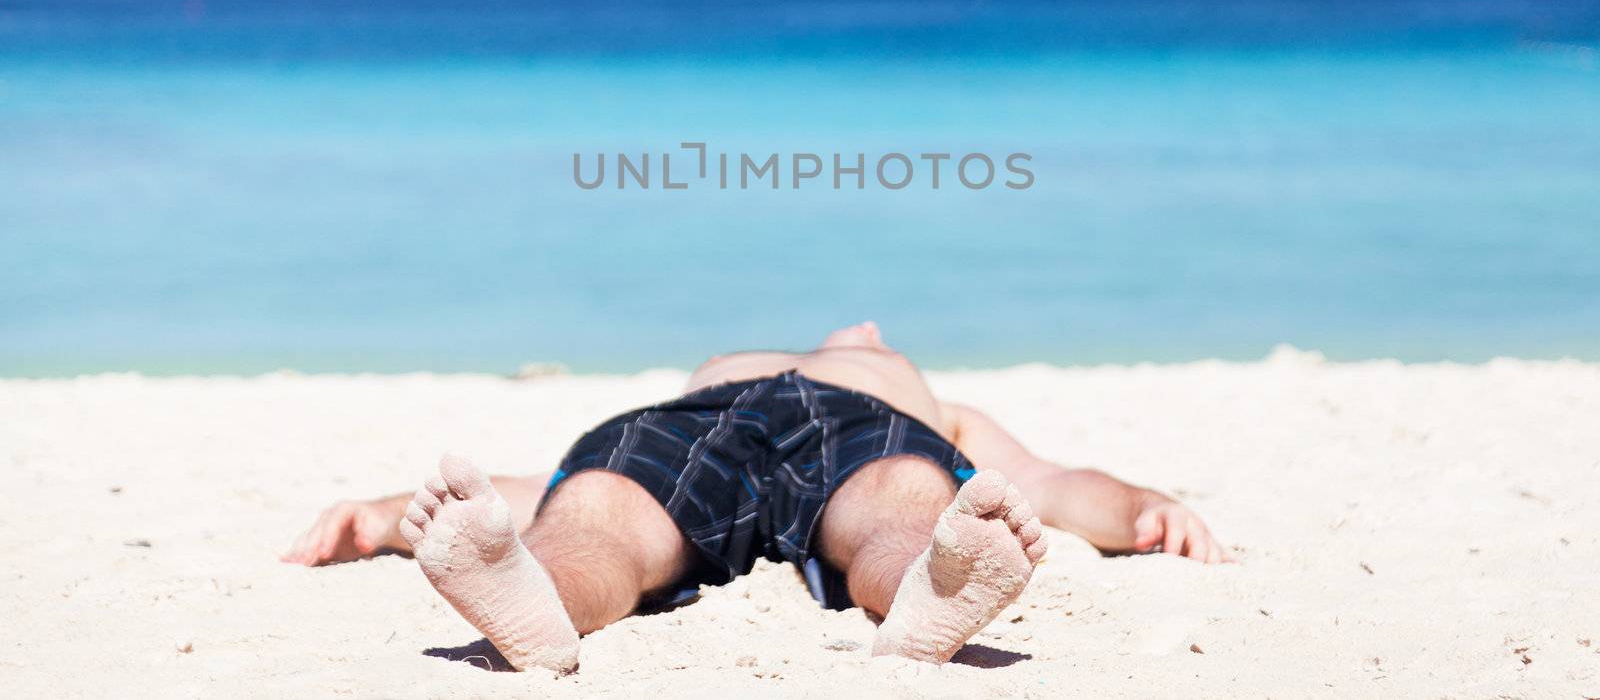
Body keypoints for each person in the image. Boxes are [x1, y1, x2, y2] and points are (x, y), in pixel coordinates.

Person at [284, 322, 1227, 673]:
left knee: (908, 507)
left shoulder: (930, 401)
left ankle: (930, 590)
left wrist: (1141, 506)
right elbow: (536, 488)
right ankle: (535, 594)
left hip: (772, 420)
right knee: (597, 509)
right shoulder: (889, 368)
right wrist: (380, 516)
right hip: (722, 418)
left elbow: (1055, 488)